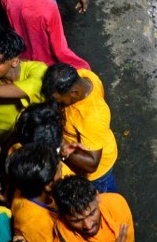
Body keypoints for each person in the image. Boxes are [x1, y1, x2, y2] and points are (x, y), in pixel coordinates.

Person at [42, 63, 121, 192]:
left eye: (60, 101)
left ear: (74, 93)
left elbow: (92, 164)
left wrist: (59, 143)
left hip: (97, 175)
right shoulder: (86, 76)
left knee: (101, 201)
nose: (57, 104)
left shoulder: (92, 116)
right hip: (91, 140)